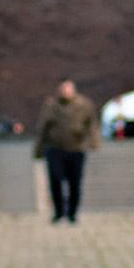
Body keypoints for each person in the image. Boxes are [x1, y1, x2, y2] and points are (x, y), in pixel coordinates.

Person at [33, 77, 98, 224]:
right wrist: (38, 150)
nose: (66, 91)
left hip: (76, 148)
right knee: (55, 180)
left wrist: (93, 142)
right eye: (63, 88)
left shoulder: (84, 104)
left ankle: (72, 213)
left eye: (68, 88)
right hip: (55, 148)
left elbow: (92, 124)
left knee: (75, 182)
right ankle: (59, 212)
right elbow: (43, 128)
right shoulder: (52, 106)